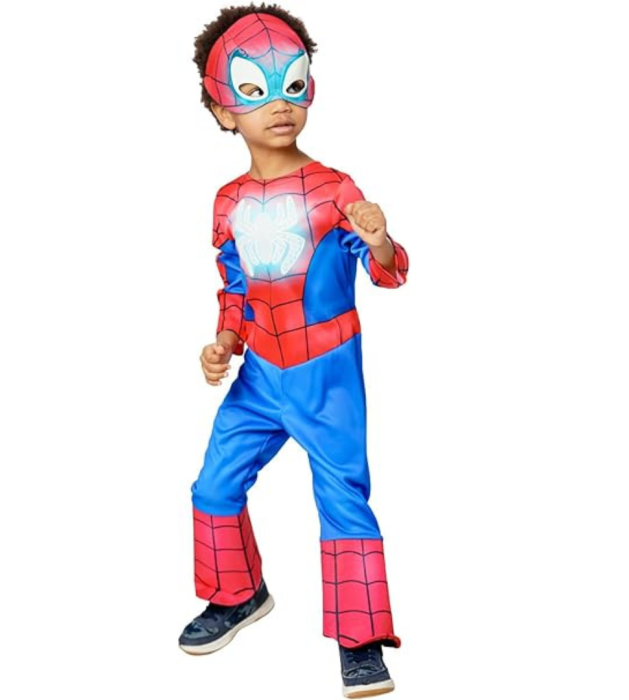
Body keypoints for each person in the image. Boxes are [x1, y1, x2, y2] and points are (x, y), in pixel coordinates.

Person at [180, 4, 409, 697]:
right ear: (222, 110)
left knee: (343, 500)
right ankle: (237, 594)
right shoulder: (226, 201)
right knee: (213, 487)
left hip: (328, 373)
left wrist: (377, 239)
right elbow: (235, 287)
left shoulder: (336, 189)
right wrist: (224, 342)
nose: (279, 104)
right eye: (254, 90)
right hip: (259, 375)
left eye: (293, 83)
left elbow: (390, 273)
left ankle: (361, 640)